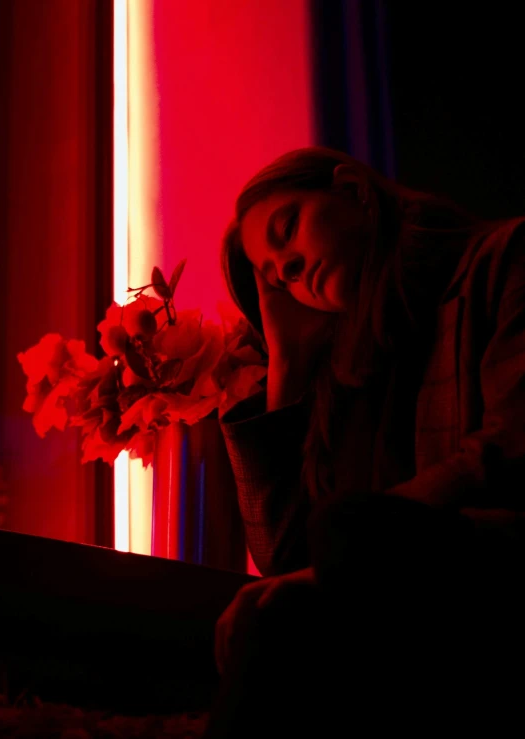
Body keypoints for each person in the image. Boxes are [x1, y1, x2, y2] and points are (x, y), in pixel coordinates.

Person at [202, 147, 525, 737]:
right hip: (392, 608)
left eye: (287, 231)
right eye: (277, 277)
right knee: (270, 617)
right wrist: (288, 365)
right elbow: (284, 559)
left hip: (498, 564)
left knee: (346, 525)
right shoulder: (346, 372)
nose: (291, 269)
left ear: (353, 189)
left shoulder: (505, 259)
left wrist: (347, 549)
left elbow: (508, 447)